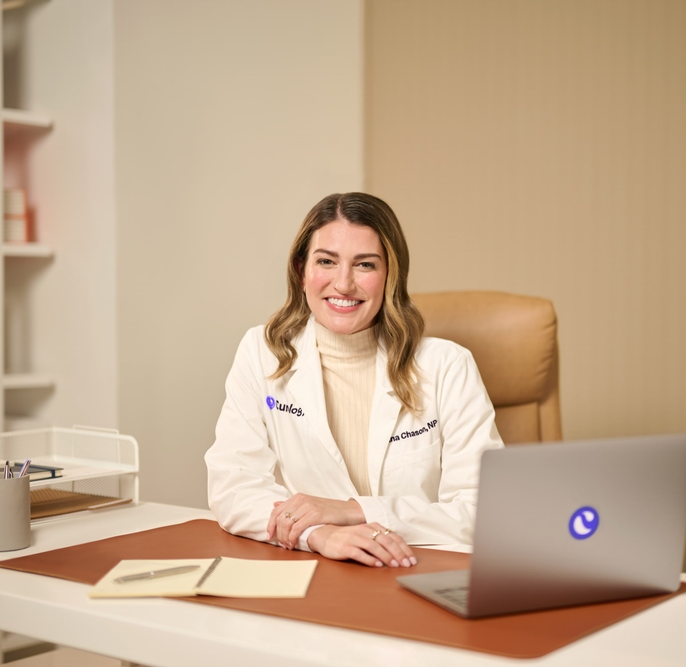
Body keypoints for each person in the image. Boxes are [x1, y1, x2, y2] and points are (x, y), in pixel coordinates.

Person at [205, 193, 503, 568]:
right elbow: (233, 486)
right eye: (326, 261)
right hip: (315, 571)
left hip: (416, 570)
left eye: (364, 264)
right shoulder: (261, 352)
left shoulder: (448, 366)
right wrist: (319, 534)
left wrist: (355, 511)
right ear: (301, 270)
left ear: (390, 275)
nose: (343, 284)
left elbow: (482, 512)